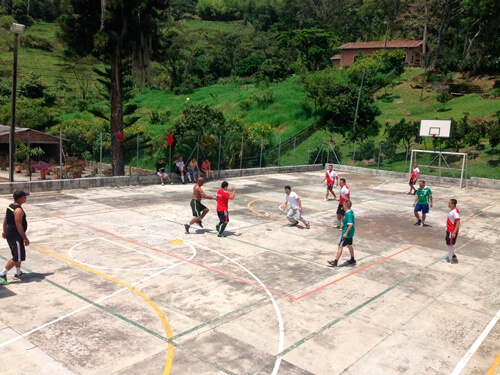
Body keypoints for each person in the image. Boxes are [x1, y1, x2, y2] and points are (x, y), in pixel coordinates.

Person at [0, 190, 30, 285]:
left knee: (19, 255)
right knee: (17, 257)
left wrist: (4, 230)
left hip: (10, 233)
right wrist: (25, 238)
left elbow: (6, 220)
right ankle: (2, 274)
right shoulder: (18, 210)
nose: (26, 198)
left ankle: (18, 273)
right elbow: (19, 225)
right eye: (25, 197)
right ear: (20, 198)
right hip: (15, 236)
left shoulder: (10, 207)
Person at [328, 200, 356, 267]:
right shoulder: (350, 212)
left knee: (340, 246)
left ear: (346, 206)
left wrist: (346, 233)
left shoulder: (348, 214)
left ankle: (335, 261)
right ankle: (352, 259)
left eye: (343, 205)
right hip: (351, 233)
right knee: (349, 245)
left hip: (347, 233)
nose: (343, 206)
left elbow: (350, 224)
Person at [443, 199, 460, 264]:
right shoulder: (453, 211)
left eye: (449, 203)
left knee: (450, 244)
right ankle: (453, 255)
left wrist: (454, 232)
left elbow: (458, 222)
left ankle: (450, 259)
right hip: (449, 230)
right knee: (449, 243)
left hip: (451, 231)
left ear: (453, 204)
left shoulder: (455, 212)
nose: (448, 204)